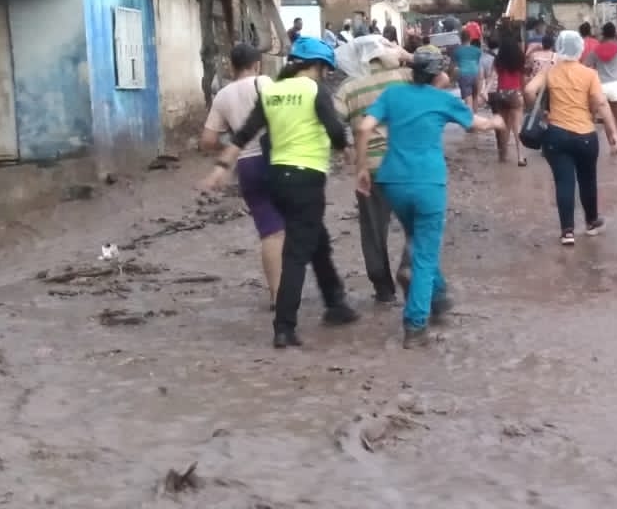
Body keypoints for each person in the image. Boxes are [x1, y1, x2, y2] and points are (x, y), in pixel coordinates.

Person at [201, 37, 359, 348]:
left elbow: (244, 134)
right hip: (307, 177)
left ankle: (335, 303)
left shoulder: (271, 91)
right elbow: (335, 130)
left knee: (317, 239)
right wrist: (349, 153)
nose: (325, 74)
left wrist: (221, 167)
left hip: (277, 178)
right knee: (297, 253)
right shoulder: (313, 90)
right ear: (317, 66)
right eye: (324, 68)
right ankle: (284, 327)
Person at [353, 45, 505, 348]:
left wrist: (361, 168)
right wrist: (497, 123)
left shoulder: (393, 95)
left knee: (417, 237)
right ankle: (416, 324)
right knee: (424, 254)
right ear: (437, 74)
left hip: (392, 180)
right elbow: (477, 125)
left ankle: (439, 296)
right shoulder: (441, 100)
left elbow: (363, 127)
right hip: (428, 183)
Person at [199, 43, 283, 310]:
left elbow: (207, 140)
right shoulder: (266, 83)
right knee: (291, 227)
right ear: (257, 64)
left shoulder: (223, 96)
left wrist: (232, 148)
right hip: (277, 161)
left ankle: (277, 296)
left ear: (231, 66)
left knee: (270, 232)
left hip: (246, 165)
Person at [334, 35, 412, 303]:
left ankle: (383, 288)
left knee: (372, 229)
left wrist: (347, 150)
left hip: (370, 167)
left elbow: (333, 124)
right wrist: (407, 56)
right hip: (406, 164)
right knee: (417, 224)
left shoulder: (348, 88)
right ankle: (409, 266)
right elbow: (439, 77)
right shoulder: (403, 77)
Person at [525, 31, 617, 246]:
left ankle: (567, 232)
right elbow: (601, 104)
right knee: (588, 180)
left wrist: (540, 112)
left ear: (559, 47)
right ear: (579, 50)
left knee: (563, 182)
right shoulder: (589, 74)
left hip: (556, 134)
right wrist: (612, 133)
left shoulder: (550, 72)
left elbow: (529, 90)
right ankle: (592, 222)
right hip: (585, 134)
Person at [585, 22, 617, 129]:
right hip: (616, 85)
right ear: (614, 33)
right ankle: (615, 141)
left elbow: (585, 64)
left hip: (600, 86)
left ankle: (611, 139)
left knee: (607, 117)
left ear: (603, 33)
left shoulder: (596, 50)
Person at [493, 34, 528, 166]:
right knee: (517, 127)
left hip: (501, 94)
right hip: (515, 94)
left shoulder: (498, 61)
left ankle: (503, 155)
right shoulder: (520, 59)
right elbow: (522, 80)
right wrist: (523, 94)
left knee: (504, 127)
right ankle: (520, 157)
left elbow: (493, 77)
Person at [452, 29, 483, 112]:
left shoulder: (456, 51)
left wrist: (453, 78)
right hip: (476, 74)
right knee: (475, 96)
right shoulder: (477, 51)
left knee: (468, 98)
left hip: (464, 75)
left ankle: (471, 120)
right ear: (470, 38)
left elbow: (454, 67)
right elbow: (479, 64)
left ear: (460, 38)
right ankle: (476, 117)